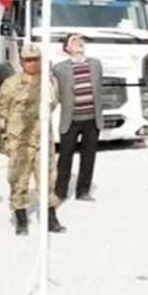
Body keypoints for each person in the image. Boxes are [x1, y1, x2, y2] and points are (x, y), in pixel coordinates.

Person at [0, 43, 65, 235]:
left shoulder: (48, 82)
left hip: (43, 140)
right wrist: (5, 139)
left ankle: (51, 218)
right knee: (18, 180)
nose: (32, 63)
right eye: (28, 60)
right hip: (20, 141)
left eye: (35, 59)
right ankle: (21, 219)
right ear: (22, 61)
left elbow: (54, 102)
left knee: (48, 179)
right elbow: (2, 112)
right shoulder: (11, 84)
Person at [53, 34, 105, 202]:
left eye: (80, 41)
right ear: (67, 48)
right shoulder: (59, 68)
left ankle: (83, 191)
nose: (79, 43)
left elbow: (98, 88)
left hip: (92, 119)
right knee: (65, 157)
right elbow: (54, 92)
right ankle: (60, 192)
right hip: (71, 120)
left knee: (88, 157)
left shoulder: (96, 64)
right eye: (74, 41)